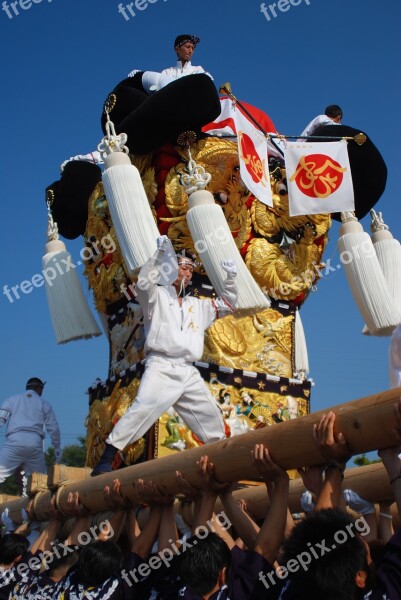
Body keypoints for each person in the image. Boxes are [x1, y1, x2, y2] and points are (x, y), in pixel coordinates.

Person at [91, 236, 238, 476]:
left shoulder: (198, 305)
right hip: (161, 365)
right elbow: (143, 285)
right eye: (183, 267)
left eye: (191, 270)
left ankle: (222, 466)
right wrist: (157, 256)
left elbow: (229, 304)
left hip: (188, 370)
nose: (188, 273)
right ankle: (105, 460)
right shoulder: (156, 297)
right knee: (143, 408)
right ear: (171, 269)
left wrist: (230, 277)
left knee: (211, 417)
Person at [0, 378, 61, 485]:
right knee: (41, 483)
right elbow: (53, 428)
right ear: (38, 388)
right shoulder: (44, 403)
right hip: (35, 445)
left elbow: (1, 419)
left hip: (14, 443)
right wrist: (57, 447)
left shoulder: (12, 399)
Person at [129, 34, 213, 94]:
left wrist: (207, 78)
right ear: (177, 49)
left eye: (193, 48)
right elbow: (155, 89)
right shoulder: (167, 72)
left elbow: (205, 87)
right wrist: (139, 76)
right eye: (187, 47)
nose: (191, 51)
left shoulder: (198, 70)